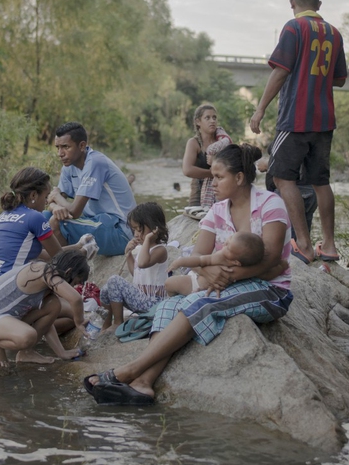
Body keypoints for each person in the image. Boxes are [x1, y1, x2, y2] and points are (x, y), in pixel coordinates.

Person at [83, 143, 292, 406]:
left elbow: (273, 260)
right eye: (212, 176)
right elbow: (197, 260)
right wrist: (211, 270)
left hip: (269, 290)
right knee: (168, 305)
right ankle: (144, 384)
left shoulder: (270, 204)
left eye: (218, 177)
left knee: (198, 302)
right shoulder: (217, 211)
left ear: (239, 178)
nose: (212, 183)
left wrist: (226, 276)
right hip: (225, 286)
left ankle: (129, 370)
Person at [250, 0, 347, 264]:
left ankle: (303, 244)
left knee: (281, 177)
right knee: (320, 181)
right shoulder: (334, 32)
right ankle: (328, 245)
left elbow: (280, 71)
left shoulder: (293, 28)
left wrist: (260, 109)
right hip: (325, 119)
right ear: (319, 5)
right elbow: (340, 79)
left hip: (295, 118)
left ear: (292, 3)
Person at [0, 251, 89, 369]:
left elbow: (47, 323)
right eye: (74, 283)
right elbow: (76, 299)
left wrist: (61, 352)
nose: (72, 287)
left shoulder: (48, 281)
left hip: (7, 317)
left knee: (54, 304)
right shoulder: (44, 272)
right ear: (68, 272)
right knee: (28, 336)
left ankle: (26, 353)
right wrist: (79, 321)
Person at [47, 122, 137, 256]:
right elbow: (52, 201)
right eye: (58, 148)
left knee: (57, 223)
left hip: (121, 231)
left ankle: (65, 268)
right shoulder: (68, 166)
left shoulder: (95, 162)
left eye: (66, 147)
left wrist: (56, 196)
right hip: (99, 223)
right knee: (44, 218)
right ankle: (61, 263)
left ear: (82, 145)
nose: (60, 153)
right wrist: (55, 206)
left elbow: (74, 211)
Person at [0, 167, 67, 285]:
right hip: (4, 288)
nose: (46, 202)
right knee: (49, 275)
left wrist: (79, 246)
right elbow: (59, 257)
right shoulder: (35, 217)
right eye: (45, 197)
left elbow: (42, 255)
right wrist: (82, 252)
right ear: (34, 195)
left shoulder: (2, 216)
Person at [99, 202, 170, 331]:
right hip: (141, 300)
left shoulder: (160, 250)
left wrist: (148, 240)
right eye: (134, 230)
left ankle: (118, 323)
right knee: (106, 289)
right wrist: (128, 255)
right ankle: (108, 319)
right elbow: (136, 273)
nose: (136, 234)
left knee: (114, 280)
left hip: (154, 304)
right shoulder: (143, 250)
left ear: (154, 228)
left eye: (139, 229)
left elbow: (143, 264)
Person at [166, 231, 265, 296]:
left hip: (196, 284)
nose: (224, 244)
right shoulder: (242, 265)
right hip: (207, 286)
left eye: (228, 246)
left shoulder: (221, 257)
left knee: (168, 283)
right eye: (229, 239)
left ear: (236, 262)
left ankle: (174, 298)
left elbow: (200, 261)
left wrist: (180, 262)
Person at [182, 104, 232, 210]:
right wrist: (213, 174)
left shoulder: (222, 142)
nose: (212, 121)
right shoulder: (194, 143)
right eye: (207, 118)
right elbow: (187, 170)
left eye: (214, 117)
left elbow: (232, 165)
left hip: (221, 189)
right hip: (198, 190)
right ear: (198, 122)